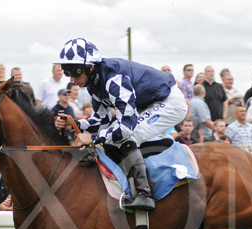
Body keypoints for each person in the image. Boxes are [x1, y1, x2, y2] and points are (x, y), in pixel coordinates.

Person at [59, 38, 187, 211]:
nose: (72, 78)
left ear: (91, 67)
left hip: (169, 102)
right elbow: (101, 121)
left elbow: (125, 128)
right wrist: (74, 123)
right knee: (113, 133)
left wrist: (93, 138)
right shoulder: (94, 85)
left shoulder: (114, 78)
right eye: (67, 72)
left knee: (126, 136)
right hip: (148, 104)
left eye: (76, 71)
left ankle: (144, 194)